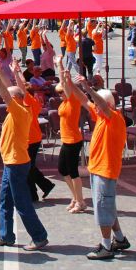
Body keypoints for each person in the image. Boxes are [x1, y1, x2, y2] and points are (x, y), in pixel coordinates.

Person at [0, 56, 49, 251]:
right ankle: (6, 235)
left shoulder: (20, 111)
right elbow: (10, 89)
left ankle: (39, 237)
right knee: (5, 200)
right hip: (10, 162)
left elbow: (6, 93)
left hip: (16, 163)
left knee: (21, 202)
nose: (4, 102)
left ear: (15, 100)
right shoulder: (19, 109)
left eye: (8, 100)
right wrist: (4, 73)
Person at [71, 71, 130, 260]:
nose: (94, 109)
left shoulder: (115, 118)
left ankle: (106, 246)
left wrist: (88, 88)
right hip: (97, 169)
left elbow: (101, 104)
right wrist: (69, 82)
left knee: (103, 207)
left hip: (105, 170)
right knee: (108, 207)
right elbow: (83, 101)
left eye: (97, 105)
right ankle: (120, 239)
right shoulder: (102, 117)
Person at [55, 57, 86, 213]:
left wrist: (60, 66)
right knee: (63, 170)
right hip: (66, 139)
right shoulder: (65, 103)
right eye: (59, 92)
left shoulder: (73, 100)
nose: (60, 94)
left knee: (72, 172)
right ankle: (76, 197)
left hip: (73, 140)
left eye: (61, 92)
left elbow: (66, 85)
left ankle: (80, 201)